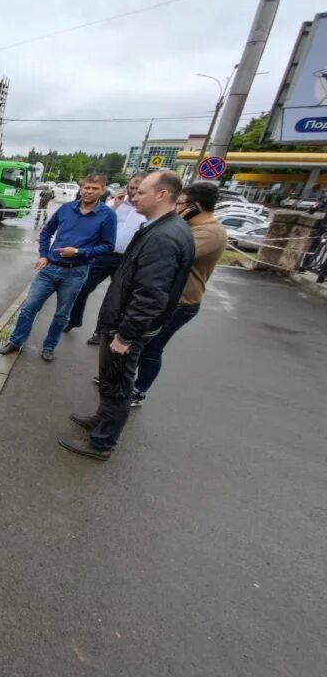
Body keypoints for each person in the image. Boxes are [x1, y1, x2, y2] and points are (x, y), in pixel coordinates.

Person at [60, 170, 195, 461]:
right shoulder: (160, 227)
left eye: (142, 192)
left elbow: (150, 295)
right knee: (110, 380)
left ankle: (101, 443)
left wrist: (125, 335)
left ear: (162, 195)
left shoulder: (164, 236)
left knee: (119, 384)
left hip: (127, 328)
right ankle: (101, 421)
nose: (134, 195)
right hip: (122, 321)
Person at [0, 173, 117, 362]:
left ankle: (49, 347)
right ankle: (15, 341)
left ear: (102, 190)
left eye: (95, 189)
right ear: (81, 187)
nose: (89, 191)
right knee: (29, 307)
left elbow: (108, 246)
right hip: (50, 268)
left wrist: (77, 251)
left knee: (61, 314)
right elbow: (46, 231)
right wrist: (44, 255)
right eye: (87, 187)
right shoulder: (66, 209)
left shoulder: (107, 215)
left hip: (76, 272)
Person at [129, 181, 227, 406]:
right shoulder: (189, 226)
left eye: (180, 204)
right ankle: (124, 382)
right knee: (141, 344)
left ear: (196, 206)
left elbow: (169, 254)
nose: (176, 209)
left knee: (152, 347)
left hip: (181, 302)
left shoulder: (210, 232)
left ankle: (139, 390)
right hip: (168, 297)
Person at [65, 174, 148, 343]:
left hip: (127, 259)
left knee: (115, 297)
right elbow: (97, 222)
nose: (132, 192)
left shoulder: (146, 209)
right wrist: (115, 207)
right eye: (130, 187)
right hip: (103, 256)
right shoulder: (113, 204)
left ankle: (101, 332)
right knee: (82, 288)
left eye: (137, 189)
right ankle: (73, 320)